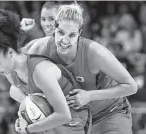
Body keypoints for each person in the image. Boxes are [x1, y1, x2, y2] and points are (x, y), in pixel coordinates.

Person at [21, 3, 138, 134]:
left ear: (80, 33)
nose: (64, 40)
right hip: (75, 118)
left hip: (110, 114)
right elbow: (12, 59)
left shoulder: (95, 53)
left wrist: (89, 95)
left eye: (72, 35)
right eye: (61, 32)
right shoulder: (41, 48)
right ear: (55, 29)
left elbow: (131, 86)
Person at [0, 9, 90, 134]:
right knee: (13, 92)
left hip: (76, 119)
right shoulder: (10, 74)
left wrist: (29, 129)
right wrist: (23, 118)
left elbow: (64, 115)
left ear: (10, 53)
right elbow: (32, 104)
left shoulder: (40, 71)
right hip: (53, 123)